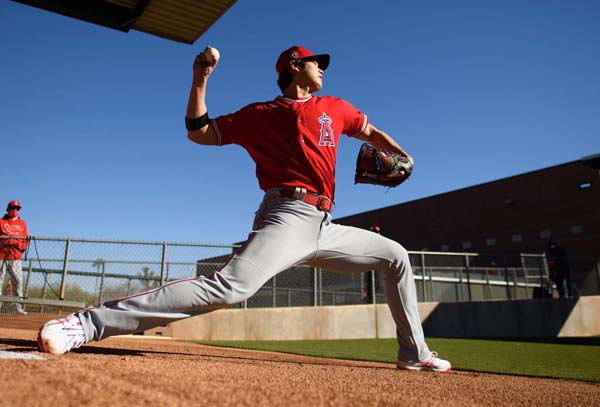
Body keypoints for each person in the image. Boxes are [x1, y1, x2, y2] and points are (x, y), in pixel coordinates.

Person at [37, 45, 451, 372]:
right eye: (315, 62)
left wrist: (405, 156)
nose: (322, 68)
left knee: (396, 256)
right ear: (294, 66)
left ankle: (414, 353)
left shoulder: (335, 107)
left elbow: (371, 132)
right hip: (287, 215)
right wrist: (200, 79)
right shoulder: (261, 114)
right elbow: (200, 132)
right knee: (229, 287)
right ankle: (86, 324)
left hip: (325, 225)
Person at [0, 200, 29, 315]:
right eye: (13, 208)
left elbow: (25, 239)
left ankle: (17, 307)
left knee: (18, 281)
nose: (15, 210)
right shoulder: (1, 222)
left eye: (17, 209)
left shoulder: (22, 224)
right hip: (1, 256)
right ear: (8, 209)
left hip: (15, 257)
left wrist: (21, 248)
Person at [361, 226, 382, 304]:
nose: (377, 234)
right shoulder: (369, 240)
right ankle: (368, 300)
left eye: (378, 232)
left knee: (377, 284)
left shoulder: (380, 241)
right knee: (368, 282)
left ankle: (371, 299)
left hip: (376, 266)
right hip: (368, 265)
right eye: (375, 232)